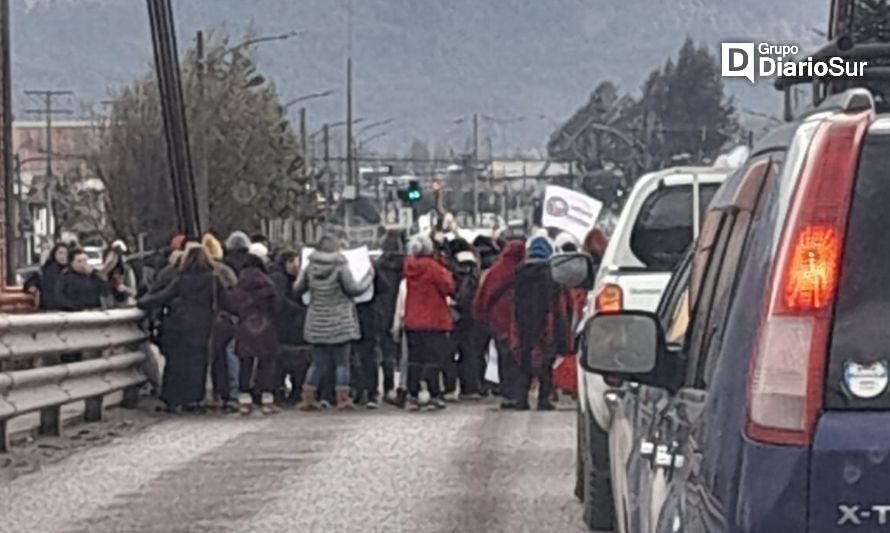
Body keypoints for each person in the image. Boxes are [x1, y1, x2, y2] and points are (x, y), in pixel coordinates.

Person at [137, 244, 229, 413]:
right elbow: (227, 302)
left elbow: (163, 296)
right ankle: (194, 399)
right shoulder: (213, 279)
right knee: (199, 363)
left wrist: (141, 302)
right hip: (204, 325)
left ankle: (174, 399)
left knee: (178, 363)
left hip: (180, 325)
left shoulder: (181, 279)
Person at [295, 234, 373, 411]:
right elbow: (354, 289)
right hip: (340, 321)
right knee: (342, 363)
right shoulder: (341, 266)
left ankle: (308, 398)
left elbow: (297, 288)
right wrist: (368, 278)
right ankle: (343, 400)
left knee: (317, 363)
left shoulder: (310, 267)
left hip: (317, 320)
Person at [512, 235, 569, 411]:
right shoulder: (552, 273)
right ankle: (544, 399)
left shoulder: (520, 271)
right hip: (547, 320)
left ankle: (521, 399)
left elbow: (513, 299)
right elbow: (558, 302)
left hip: (523, 321)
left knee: (525, 360)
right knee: (546, 362)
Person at [403, 234, 455, 411]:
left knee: (415, 359)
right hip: (434, 319)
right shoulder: (433, 268)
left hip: (412, 319)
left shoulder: (409, 266)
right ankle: (432, 393)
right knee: (433, 359)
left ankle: (413, 393)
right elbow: (449, 287)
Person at [231, 254, 280, 415]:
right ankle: (266, 399)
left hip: (245, 326)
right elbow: (276, 306)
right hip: (266, 325)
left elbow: (232, 305)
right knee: (266, 363)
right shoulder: (267, 283)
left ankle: (244, 400)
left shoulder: (239, 284)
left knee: (245, 364)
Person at [268, 248, 310, 406]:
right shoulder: (279, 278)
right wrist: (300, 310)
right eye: (296, 262)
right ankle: (288, 391)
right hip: (287, 326)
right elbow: (281, 301)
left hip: (287, 325)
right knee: (290, 359)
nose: (298, 266)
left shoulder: (280, 277)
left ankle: (289, 390)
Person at [203, 233, 240, 412]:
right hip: (225, 321)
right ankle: (230, 394)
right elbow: (233, 297)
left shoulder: (202, 272)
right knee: (228, 358)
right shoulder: (225, 271)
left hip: (206, 320)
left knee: (211, 360)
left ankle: (212, 394)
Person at [447, 241, 484, 401]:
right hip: (472, 313)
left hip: (455, 311)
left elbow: (456, 290)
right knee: (469, 350)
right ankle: (470, 387)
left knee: (449, 351)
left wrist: (455, 302)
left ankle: (450, 387)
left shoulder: (455, 266)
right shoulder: (475, 266)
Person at [374, 231, 405, 405]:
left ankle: (388, 388)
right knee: (407, 355)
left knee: (386, 353)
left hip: (382, 312)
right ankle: (405, 388)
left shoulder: (377, 266)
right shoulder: (407, 266)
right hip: (404, 312)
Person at [30, 243, 68, 311]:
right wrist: (32, 285)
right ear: (54, 254)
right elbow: (32, 281)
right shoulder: (46, 270)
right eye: (60, 253)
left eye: (66, 253)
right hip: (48, 310)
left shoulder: (72, 270)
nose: (64, 256)